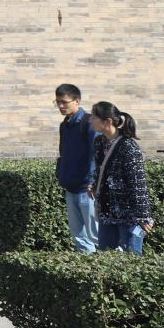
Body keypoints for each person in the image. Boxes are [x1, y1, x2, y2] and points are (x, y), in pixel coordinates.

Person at [88, 101, 154, 254]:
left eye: (94, 117)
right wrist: (94, 183)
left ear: (107, 121)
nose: (90, 120)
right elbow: (100, 168)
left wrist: (143, 217)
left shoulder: (128, 146)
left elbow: (138, 183)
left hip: (129, 215)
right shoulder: (99, 142)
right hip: (106, 210)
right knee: (106, 256)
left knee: (132, 257)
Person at [54, 84, 98, 253]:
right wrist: (61, 174)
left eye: (64, 102)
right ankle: (88, 267)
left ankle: (112, 265)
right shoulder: (64, 125)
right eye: (57, 102)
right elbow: (63, 153)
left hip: (88, 189)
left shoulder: (89, 123)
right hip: (70, 188)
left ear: (77, 101)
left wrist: (92, 181)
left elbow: (95, 154)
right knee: (79, 237)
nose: (60, 106)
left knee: (97, 235)